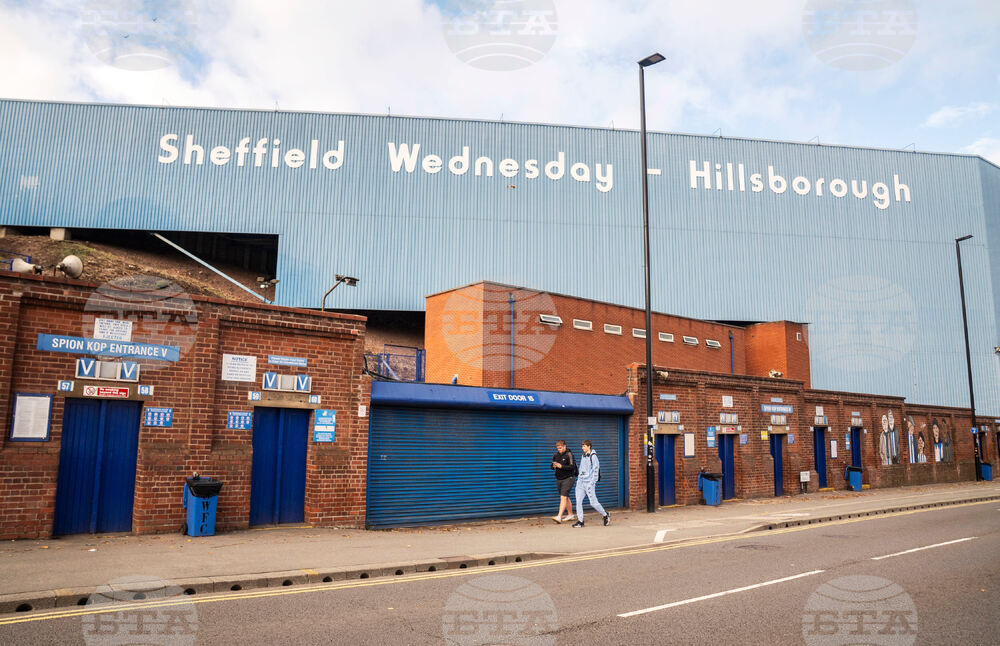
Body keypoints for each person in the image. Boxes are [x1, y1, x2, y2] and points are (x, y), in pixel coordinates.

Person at [572, 440, 610, 528]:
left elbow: (596, 471)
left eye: (584, 446)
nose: (582, 448)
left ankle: (605, 514)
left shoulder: (593, 457)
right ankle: (580, 521)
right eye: (582, 446)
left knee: (593, 503)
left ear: (589, 446)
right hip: (581, 482)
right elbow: (581, 468)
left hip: (589, 483)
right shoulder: (583, 456)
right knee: (578, 501)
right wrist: (579, 480)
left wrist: (591, 483)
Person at [550, 440, 575, 523]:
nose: (559, 450)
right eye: (558, 448)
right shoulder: (556, 455)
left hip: (568, 478)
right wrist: (553, 466)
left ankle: (559, 517)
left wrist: (561, 466)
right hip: (559, 479)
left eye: (560, 448)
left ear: (564, 446)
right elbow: (551, 467)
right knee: (566, 497)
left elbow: (572, 467)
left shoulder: (569, 454)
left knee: (563, 497)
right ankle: (570, 514)